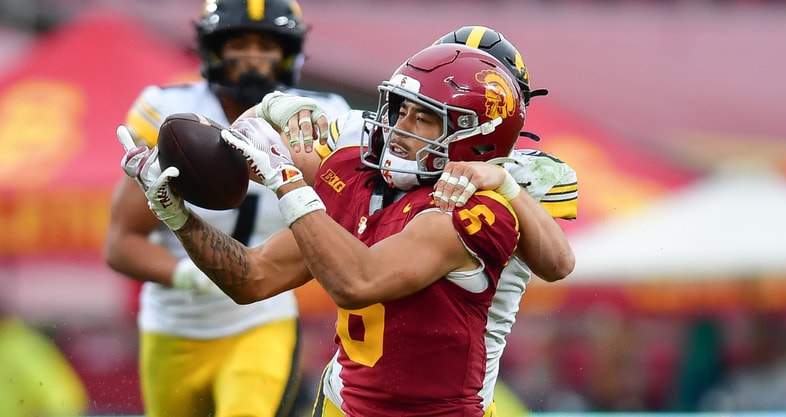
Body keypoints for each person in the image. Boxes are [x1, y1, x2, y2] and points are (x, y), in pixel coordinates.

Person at [120, 43, 566, 416]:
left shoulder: (479, 203)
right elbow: (252, 277)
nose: (399, 129)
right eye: (400, 109)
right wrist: (178, 217)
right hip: (343, 403)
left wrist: (290, 185)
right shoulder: (360, 175)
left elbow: (360, 282)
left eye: (423, 117)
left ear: (477, 134)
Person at [102, 1, 350, 416]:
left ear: (288, 52)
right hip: (172, 326)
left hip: (261, 321)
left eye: (267, 45)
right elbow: (120, 242)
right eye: (239, 42)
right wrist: (188, 275)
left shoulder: (321, 117)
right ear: (213, 47)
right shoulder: (170, 115)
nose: (253, 57)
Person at [433, 26, 578, 416]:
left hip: (460, 401)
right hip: (355, 387)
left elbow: (558, 264)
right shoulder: (388, 154)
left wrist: (503, 183)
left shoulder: (534, 174)